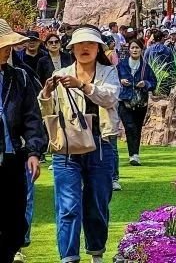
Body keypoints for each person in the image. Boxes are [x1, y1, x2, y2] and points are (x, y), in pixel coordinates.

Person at [40, 26, 120, 263]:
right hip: (67, 147)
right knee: (67, 206)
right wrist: (46, 93)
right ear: (72, 48)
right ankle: (69, 257)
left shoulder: (108, 72)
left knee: (97, 203)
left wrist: (83, 85)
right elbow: (47, 111)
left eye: (91, 44)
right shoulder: (61, 73)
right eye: (80, 44)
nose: (85, 48)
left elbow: (110, 97)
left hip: (101, 144)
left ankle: (96, 253)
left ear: (98, 48)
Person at [0, 21, 46, 263]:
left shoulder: (20, 78)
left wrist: (33, 152)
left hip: (12, 159)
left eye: (9, 46)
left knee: (15, 222)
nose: (8, 50)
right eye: (3, 46)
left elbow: (32, 118)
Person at [117, 39, 157, 166]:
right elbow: (113, 80)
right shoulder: (121, 65)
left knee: (137, 128)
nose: (135, 50)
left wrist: (145, 83)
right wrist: (121, 81)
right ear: (129, 50)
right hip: (125, 101)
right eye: (133, 48)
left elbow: (153, 82)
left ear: (141, 50)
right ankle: (132, 154)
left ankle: (136, 154)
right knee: (129, 127)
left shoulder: (145, 66)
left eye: (137, 48)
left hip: (141, 102)